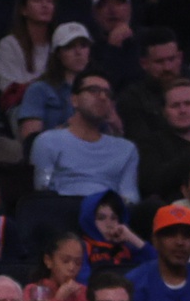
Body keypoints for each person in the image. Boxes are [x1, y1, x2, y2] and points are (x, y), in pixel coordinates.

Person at [30, 72, 141, 203]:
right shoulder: (48, 141)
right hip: (62, 212)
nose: (102, 97)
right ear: (74, 100)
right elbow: (42, 190)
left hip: (107, 216)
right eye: (93, 90)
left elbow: (130, 196)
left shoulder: (125, 149)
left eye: (107, 93)